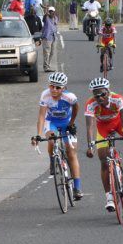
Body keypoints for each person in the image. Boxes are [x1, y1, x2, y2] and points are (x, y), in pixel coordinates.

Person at [84, 77, 123, 211]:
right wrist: (90, 146)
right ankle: (109, 197)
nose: (100, 98)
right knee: (103, 160)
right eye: (96, 95)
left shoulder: (118, 99)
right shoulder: (90, 104)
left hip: (118, 124)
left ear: (108, 91)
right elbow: (89, 127)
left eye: (103, 94)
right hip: (103, 128)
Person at [31, 72, 83, 200]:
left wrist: (71, 124)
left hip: (66, 122)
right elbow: (42, 116)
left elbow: (76, 109)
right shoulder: (45, 95)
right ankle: (52, 160)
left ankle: (77, 187)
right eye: (51, 86)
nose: (54, 90)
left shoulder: (70, 97)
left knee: (71, 152)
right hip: (51, 122)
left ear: (64, 88)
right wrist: (38, 134)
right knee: (52, 139)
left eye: (58, 87)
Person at [41, 6, 59, 72]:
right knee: (46, 53)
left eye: (52, 11)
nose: (51, 13)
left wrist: (53, 16)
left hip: (53, 37)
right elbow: (44, 16)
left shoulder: (56, 18)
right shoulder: (46, 17)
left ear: (54, 12)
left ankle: (48, 65)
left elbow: (55, 23)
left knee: (52, 53)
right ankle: (46, 67)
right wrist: (46, 11)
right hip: (47, 37)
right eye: (50, 11)